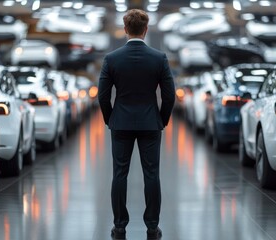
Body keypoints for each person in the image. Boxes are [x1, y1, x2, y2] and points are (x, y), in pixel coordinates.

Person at [98, 9, 175, 240]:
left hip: (120, 123)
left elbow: (103, 95)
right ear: (146, 29)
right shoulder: (159, 58)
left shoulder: (111, 59)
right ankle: (152, 227)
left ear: (125, 29)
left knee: (119, 174)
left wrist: (110, 118)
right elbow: (169, 95)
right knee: (152, 174)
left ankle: (119, 227)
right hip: (150, 123)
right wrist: (161, 119)